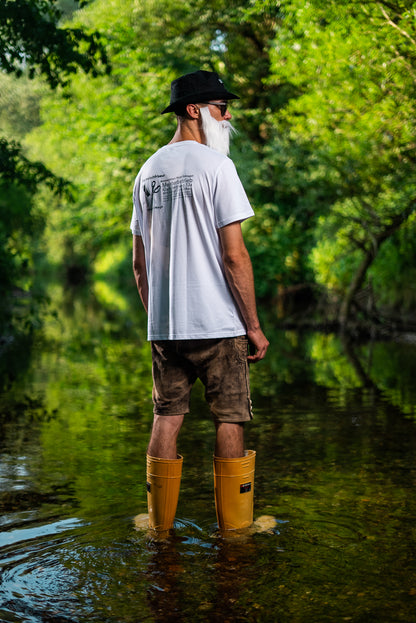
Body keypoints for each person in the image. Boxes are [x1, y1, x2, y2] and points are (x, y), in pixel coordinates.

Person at [131, 69, 269, 534]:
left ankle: (158, 527)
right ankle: (236, 531)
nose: (227, 117)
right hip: (218, 325)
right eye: (221, 108)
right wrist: (253, 327)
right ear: (195, 110)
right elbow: (235, 256)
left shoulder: (147, 172)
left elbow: (139, 265)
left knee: (166, 417)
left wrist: (159, 320)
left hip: (165, 328)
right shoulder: (217, 167)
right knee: (229, 418)